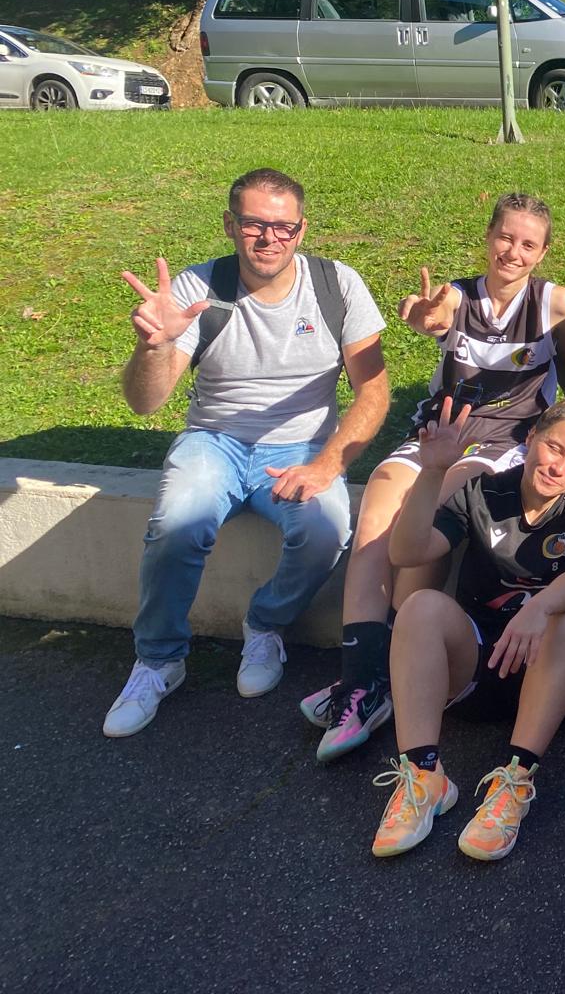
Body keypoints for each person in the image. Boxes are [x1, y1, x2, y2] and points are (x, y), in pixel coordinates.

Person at [104, 168, 389, 737]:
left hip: (303, 446)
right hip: (215, 442)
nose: (269, 238)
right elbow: (145, 402)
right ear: (230, 225)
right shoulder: (198, 288)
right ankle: (158, 661)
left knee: (328, 528)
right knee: (177, 526)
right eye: (254, 224)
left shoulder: (336, 285)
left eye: (284, 227)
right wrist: (152, 346)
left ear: (301, 229)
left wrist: (326, 465)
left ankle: (265, 625)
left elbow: (374, 391)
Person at [299, 193, 565, 761]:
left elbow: (564, 363)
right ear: (488, 236)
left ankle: (393, 668)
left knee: (441, 501)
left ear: (544, 252)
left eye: (528, 244)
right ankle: (363, 678)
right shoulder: (455, 295)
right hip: (443, 428)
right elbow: (434, 317)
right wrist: (424, 318)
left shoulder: (556, 302)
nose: (513, 252)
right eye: (505, 237)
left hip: (506, 441)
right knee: (381, 497)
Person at [366, 393, 565, 860]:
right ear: (532, 437)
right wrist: (433, 471)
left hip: (556, 675)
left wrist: (538, 608)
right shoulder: (483, 491)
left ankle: (514, 782)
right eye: (555, 448)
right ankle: (423, 777)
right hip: (481, 663)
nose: (559, 468)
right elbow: (407, 552)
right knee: (420, 606)